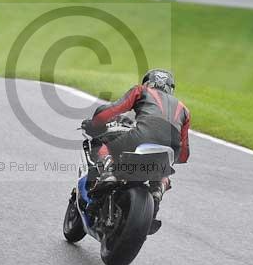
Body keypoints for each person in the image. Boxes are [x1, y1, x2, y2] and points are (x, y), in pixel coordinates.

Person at [81, 69, 190, 214]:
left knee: (102, 144)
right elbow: (184, 154)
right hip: (171, 148)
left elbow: (111, 110)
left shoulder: (141, 90)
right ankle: (159, 188)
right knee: (164, 166)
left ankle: (108, 173)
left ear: (148, 82)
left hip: (142, 136)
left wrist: (95, 123)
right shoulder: (184, 109)